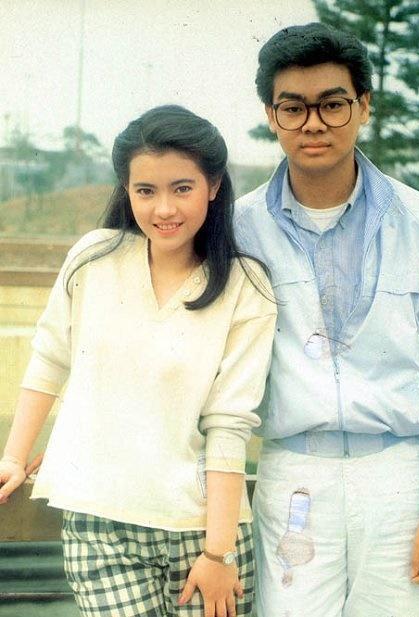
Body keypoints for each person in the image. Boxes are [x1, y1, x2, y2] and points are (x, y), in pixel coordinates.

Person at [0, 105, 277, 617]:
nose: (163, 208)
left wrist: (217, 553)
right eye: (145, 190)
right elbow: (49, 359)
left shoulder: (246, 286)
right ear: (126, 190)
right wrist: (14, 457)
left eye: (182, 188)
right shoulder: (94, 258)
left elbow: (230, 423)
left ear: (214, 186)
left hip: (205, 531)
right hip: (100, 523)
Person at [234, 22, 419, 617]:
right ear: (271, 115)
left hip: (398, 482)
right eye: (294, 108)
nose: (313, 124)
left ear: (363, 105)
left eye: (332, 104)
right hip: (293, 477)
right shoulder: (239, 228)